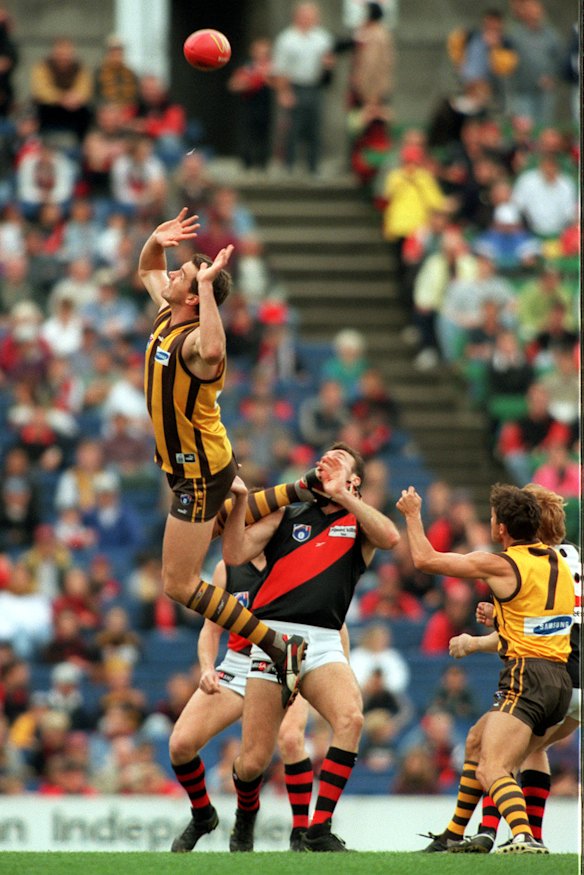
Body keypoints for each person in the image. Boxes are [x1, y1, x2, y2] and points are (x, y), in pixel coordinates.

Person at [138, 207, 310, 704]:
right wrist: (156, 239)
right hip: (194, 464)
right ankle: (285, 493)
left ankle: (277, 645)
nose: (173, 274)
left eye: (184, 275)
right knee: (222, 547)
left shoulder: (197, 341)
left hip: (198, 473)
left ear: (196, 297)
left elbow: (214, 350)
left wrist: (208, 287)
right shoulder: (169, 314)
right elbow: (148, 268)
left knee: (179, 583)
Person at [222, 442, 400, 851]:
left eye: (339, 461)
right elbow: (233, 553)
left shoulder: (360, 523)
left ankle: (318, 829)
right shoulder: (288, 513)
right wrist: (242, 501)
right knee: (253, 761)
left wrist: (345, 497)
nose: (327, 462)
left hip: (323, 639)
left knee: (351, 718)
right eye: (325, 458)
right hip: (273, 639)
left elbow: (391, 538)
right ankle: (245, 817)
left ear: (354, 480)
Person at [397, 482, 574, 854]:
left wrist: (412, 514)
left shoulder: (501, 564)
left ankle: (524, 837)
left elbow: (426, 560)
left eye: (493, 518)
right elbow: (537, 620)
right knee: (477, 739)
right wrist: (501, 618)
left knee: (492, 767)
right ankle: (454, 833)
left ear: (501, 529)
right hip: (559, 679)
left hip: (527, 677)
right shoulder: (558, 561)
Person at [169, 556, 322, 853]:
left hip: (286, 663)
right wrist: (207, 668)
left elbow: (333, 622)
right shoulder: (227, 568)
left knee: (287, 741)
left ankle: (299, 832)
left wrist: (332, 663)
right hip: (238, 664)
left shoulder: (296, 555)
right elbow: (210, 630)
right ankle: (203, 814)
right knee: (180, 745)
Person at [271, 2, 335, 175]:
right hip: (294, 86)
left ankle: (313, 166)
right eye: (305, 16)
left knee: (315, 127)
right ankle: (289, 166)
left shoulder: (322, 37)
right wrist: (284, 92)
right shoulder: (287, 39)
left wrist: (328, 66)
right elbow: (280, 69)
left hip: (315, 86)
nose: (308, 20)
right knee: (293, 128)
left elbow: (329, 64)